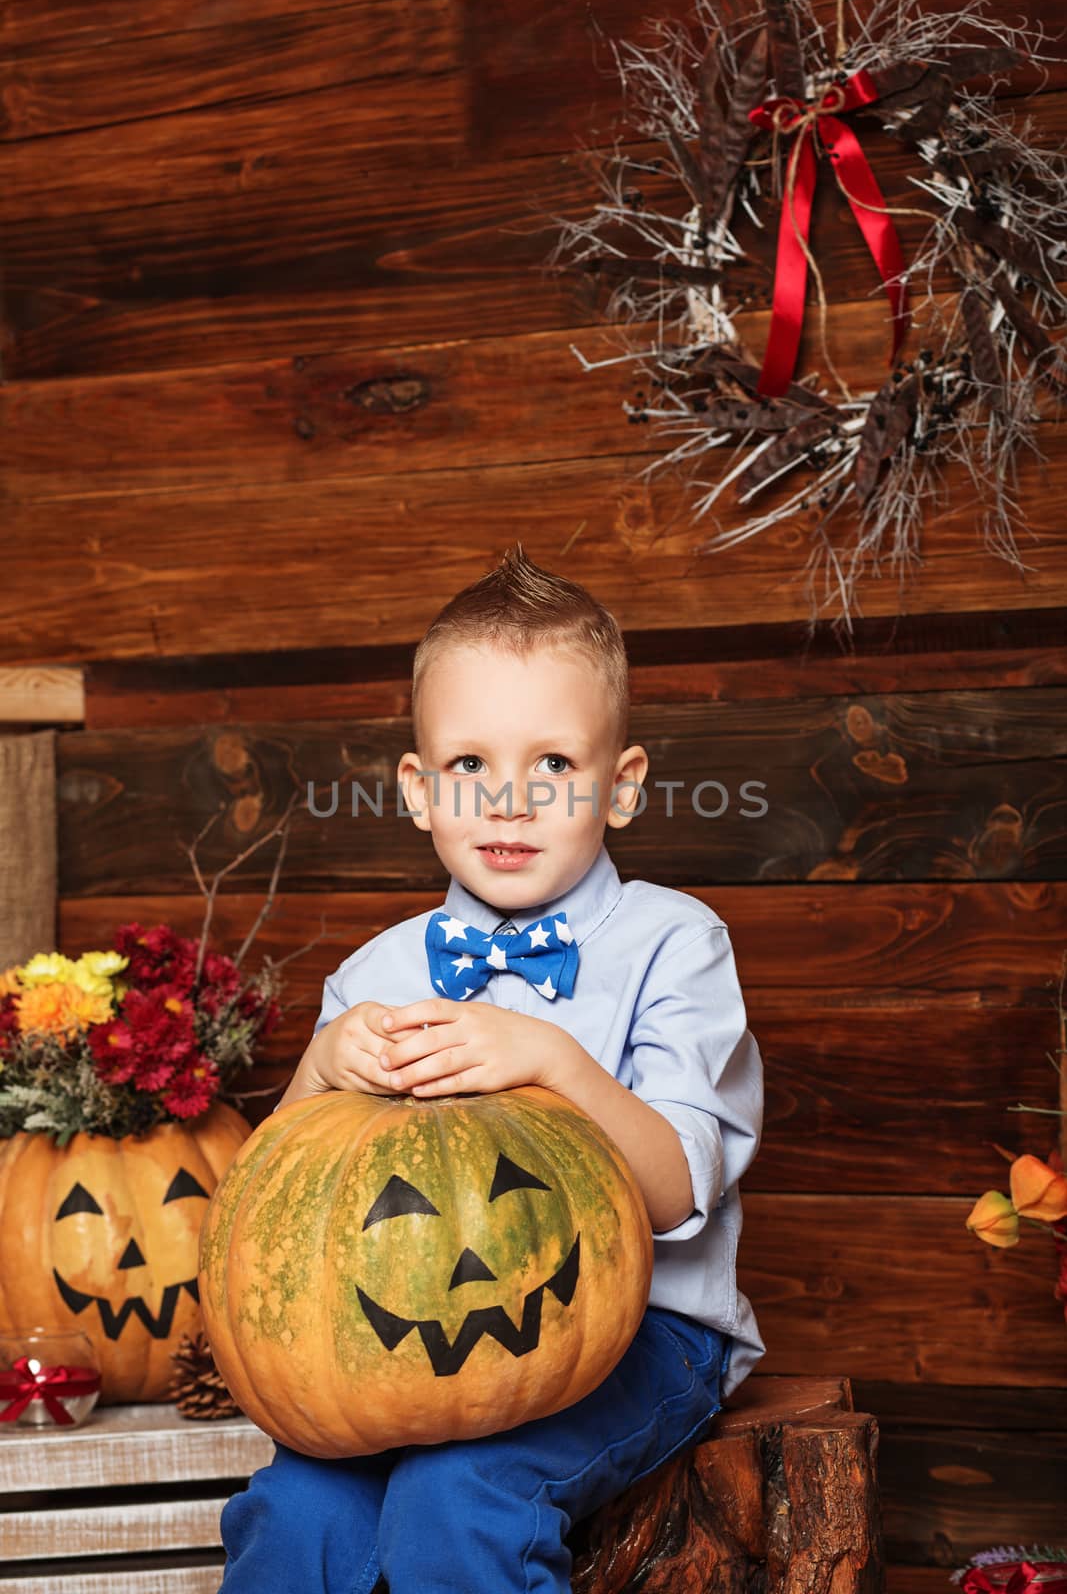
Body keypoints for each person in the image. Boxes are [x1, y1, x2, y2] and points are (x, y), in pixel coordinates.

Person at [218, 543, 765, 1594]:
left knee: (456, 1495)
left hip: (641, 1337)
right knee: (296, 1506)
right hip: (391, 1351)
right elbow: (269, 1207)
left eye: (552, 764)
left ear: (619, 786)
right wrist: (324, 1070)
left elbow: (676, 1187)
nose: (507, 800)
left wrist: (551, 1061)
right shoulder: (375, 969)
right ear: (420, 790)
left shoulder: (673, 942)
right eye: (471, 765)